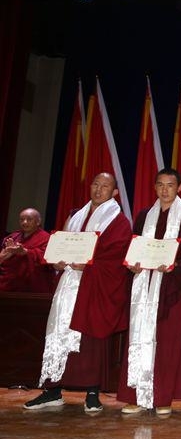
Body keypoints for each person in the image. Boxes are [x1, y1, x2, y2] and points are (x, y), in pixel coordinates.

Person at [23, 173, 132, 412]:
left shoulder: (119, 221)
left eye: (105, 186)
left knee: (90, 339)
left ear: (114, 192)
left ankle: (92, 393)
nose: (98, 190)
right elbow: (60, 244)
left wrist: (91, 265)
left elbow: (117, 257)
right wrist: (56, 261)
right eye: (95, 184)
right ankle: (52, 390)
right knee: (57, 334)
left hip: (94, 287)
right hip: (68, 284)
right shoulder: (75, 216)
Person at [117, 168, 181, 415]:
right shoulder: (145, 215)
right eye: (160, 185)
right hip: (143, 288)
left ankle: (162, 398)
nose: (165, 190)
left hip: (171, 289)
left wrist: (175, 266)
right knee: (138, 340)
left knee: (167, 342)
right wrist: (132, 264)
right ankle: (135, 396)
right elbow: (134, 245)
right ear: (154, 187)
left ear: (180, 188)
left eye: (170, 185)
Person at [0, 208, 55, 293]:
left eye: (29, 219)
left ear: (38, 222)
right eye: (22, 219)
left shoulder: (47, 238)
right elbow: (2, 259)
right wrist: (3, 256)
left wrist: (26, 252)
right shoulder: (12, 237)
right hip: (9, 285)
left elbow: (50, 259)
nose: (24, 222)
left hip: (34, 287)